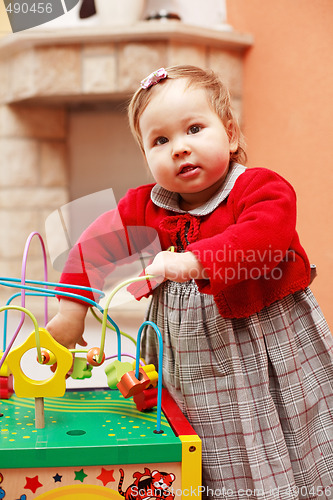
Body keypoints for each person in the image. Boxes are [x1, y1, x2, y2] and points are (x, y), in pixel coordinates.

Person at [47, 65, 333, 499]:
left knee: (286, 428)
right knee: (205, 437)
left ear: (231, 134)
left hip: (266, 345)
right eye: (160, 141)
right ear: (146, 156)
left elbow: (266, 238)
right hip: (189, 358)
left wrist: (197, 260)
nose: (180, 148)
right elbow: (93, 247)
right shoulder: (146, 207)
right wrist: (71, 312)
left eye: (194, 129)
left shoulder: (260, 188)